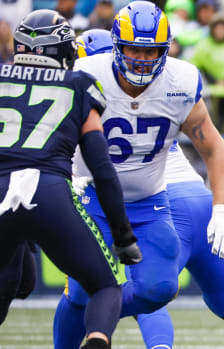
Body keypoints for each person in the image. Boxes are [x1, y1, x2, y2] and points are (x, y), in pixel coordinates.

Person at [71, 29, 224, 349]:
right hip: (200, 197)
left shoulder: (95, 92)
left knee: (146, 293)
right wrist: (220, 210)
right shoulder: (161, 88)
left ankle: (92, 327)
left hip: (159, 203)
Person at [52, 2, 224, 348]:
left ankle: (99, 316)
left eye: (151, 50)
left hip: (149, 201)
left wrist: (222, 209)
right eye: (134, 49)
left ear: (165, 50)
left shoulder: (180, 81)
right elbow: (50, 128)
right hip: (92, 195)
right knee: (79, 292)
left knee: (160, 289)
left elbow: (214, 148)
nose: (142, 58)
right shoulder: (84, 72)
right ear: (117, 46)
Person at [0, 9, 141, 349]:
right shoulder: (78, 85)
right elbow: (101, 167)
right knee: (106, 287)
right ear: (63, 51)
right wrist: (122, 233)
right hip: (51, 193)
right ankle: (95, 339)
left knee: (8, 286)